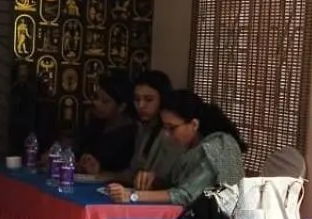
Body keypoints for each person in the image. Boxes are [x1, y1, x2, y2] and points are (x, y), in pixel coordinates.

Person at [105, 89, 245, 208]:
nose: (166, 134)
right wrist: (153, 181)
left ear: (194, 124)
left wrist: (132, 196)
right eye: (164, 128)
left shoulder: (217, 146)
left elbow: (186, 195)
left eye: (171, 128)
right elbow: (175, 185)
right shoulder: (191, 147)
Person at [73, 72, 138, 176]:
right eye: (96, 98)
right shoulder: (97, 123)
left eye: (105, 101)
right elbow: (77, 145)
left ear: (122, 107)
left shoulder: (131, 134)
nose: (96, 103)